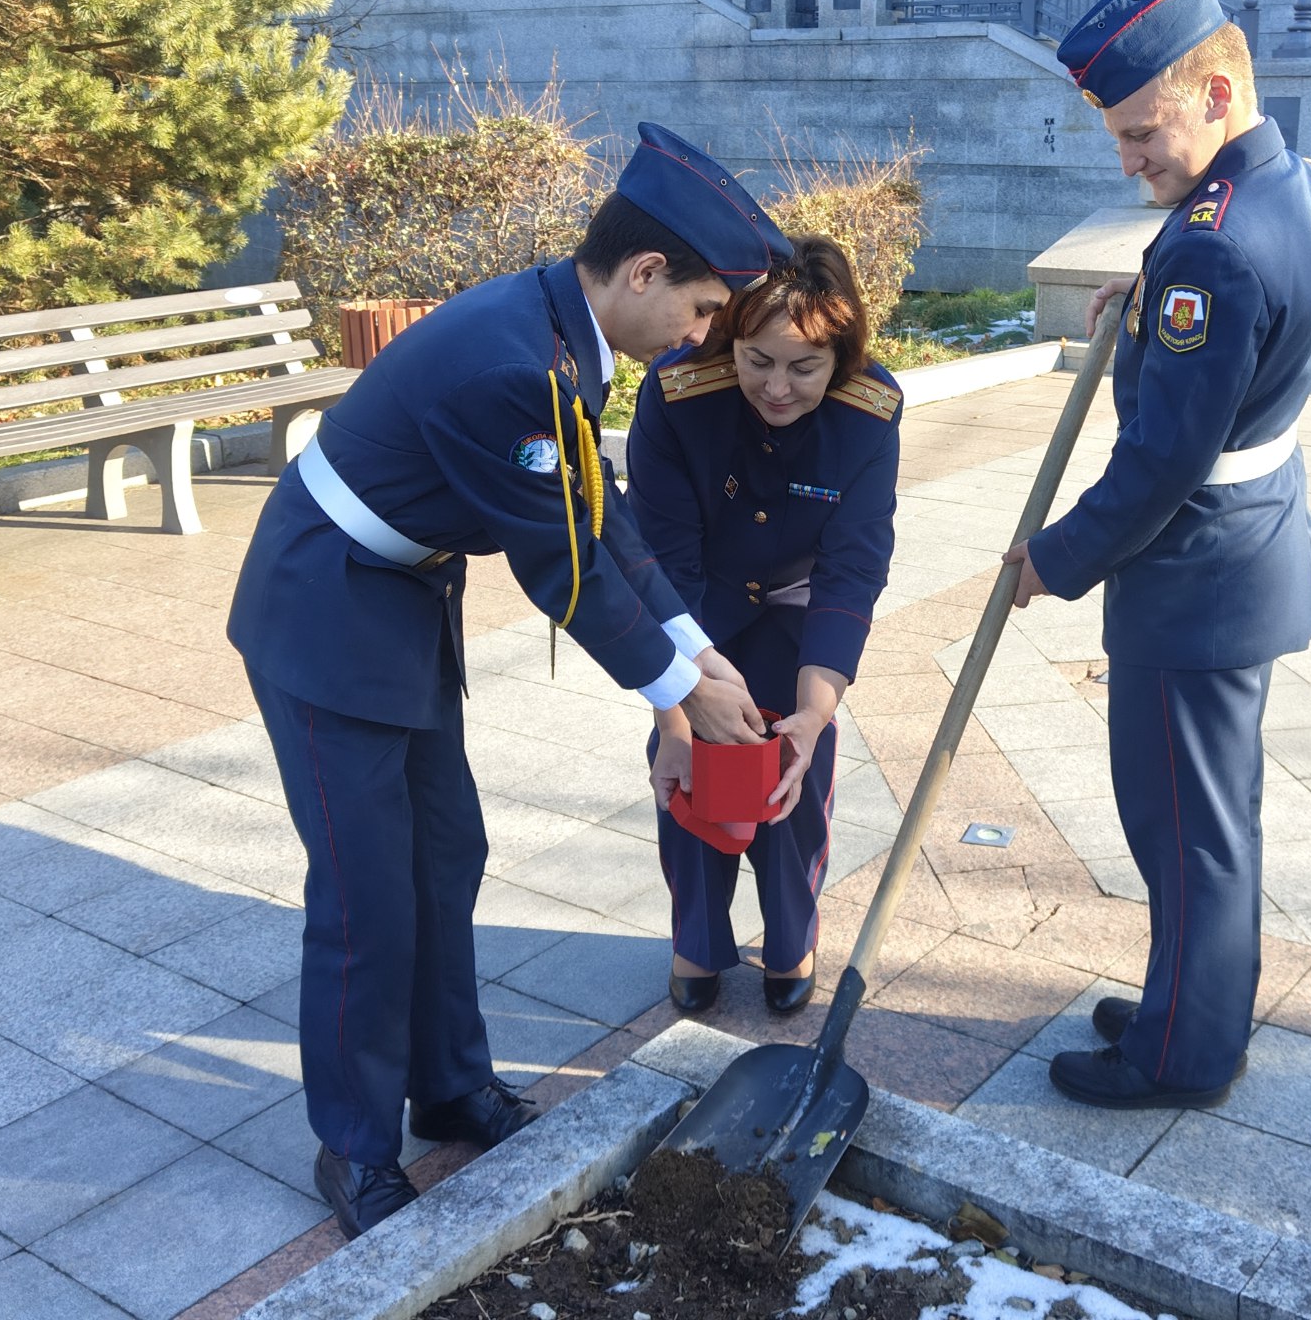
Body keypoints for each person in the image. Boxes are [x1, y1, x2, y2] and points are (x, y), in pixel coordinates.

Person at [227, 123, 792, 1237]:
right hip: (327, 614)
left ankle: (448, 1087)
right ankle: (352, 1150)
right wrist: (680, 691)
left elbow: (599, 514)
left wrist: (693, 641)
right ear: (642, 272)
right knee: (366, 898)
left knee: (447, 854)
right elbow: (559, 566)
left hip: (394, 603)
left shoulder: (561, 331)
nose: (698, 336)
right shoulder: (513, 365)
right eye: (698, 310)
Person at [1001, 0, 1311, 1110]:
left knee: (1183, 833)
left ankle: (1178, 1056)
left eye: (1144, 132)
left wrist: (1050, 560)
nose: (1131, 157)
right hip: (1250, 553)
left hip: (1194, 575)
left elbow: (1161, 464)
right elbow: (1257, 324)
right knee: (1215, 824)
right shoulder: (1297, 185)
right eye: (1117, 138)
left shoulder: (1209, 243)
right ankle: (1188, 1010)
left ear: (1214, 92)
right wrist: (1148, 303)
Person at [623, 236, 901, 1017]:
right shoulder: (679, 394)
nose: (777, 388)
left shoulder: (867, 414)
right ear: (728, 340)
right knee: (689, 772)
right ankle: (698, 941)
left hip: (798, 614)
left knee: (793, 780)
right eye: (757, 361)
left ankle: (790, 940)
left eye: (804, 367)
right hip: (699, 608)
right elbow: (661, 557)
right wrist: (674, 704)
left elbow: (853, 565)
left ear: (840, 358)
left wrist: (816, 711)